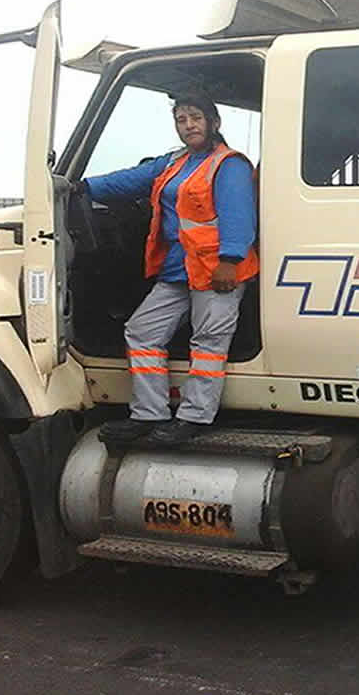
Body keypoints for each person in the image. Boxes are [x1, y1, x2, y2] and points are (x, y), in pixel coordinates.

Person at [76, 87, 258, 447]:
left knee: (207, 343)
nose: (189, 125)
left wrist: (230, 261)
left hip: (216, 269)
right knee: (142, 332)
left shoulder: (229, 164)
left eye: (196, 118)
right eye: (182, 119)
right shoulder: (174, 162)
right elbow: (130, 180)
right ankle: (149, 413)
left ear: (214, 122)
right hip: (178, 269)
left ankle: (194, 417)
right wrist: (80, 188)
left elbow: (239, 215)